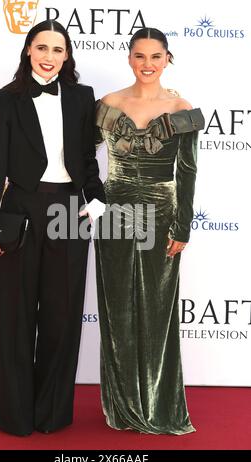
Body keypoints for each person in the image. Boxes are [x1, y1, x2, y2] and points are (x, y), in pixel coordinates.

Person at [0, 19, 105, 436]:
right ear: (28, 50)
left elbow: (85, 158)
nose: (49, 57)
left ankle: (51, 414)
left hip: (70, 209)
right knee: (16, 317)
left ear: (67, 56)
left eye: (57, 50)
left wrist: (97, 196)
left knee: (63, 318)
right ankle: (15, 417)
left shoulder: (83, 97)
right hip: (20, 211)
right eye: (42, 48)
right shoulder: (6, 99)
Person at [95, 27, 204, 434]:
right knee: (117, 308)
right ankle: (122, 407)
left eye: (155, 56)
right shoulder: (107, 104)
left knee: (158, 311)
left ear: (167, 59)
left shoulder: (182, 107)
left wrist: (184, 226)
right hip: (115, 212)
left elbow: (188, 173)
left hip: (162, 216)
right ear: (129, 58)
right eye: (140, 56)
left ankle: (159, 403)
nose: (147, 64)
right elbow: (82, 158)